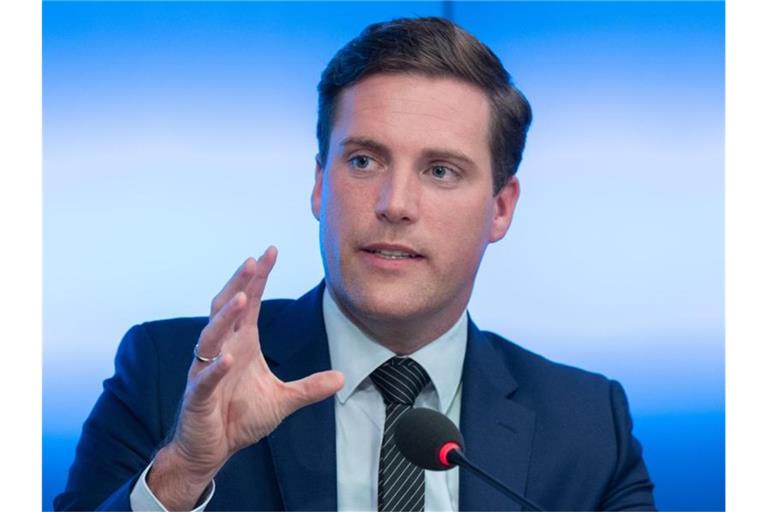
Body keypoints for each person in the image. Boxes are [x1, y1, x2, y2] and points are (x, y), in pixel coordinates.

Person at [55, 16, 655, 512]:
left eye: (440, 171)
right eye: (364, 161)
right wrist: (181, 473)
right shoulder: (172, 376)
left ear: (500, 209)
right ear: (320, 184)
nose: (395, 204)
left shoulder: (587, 425)